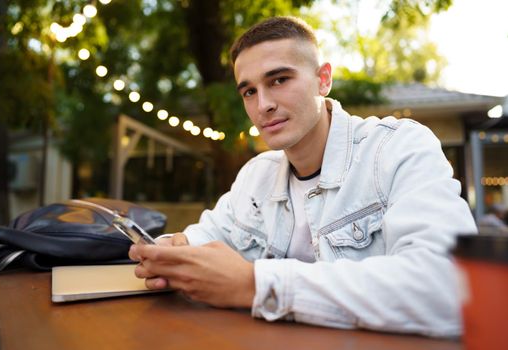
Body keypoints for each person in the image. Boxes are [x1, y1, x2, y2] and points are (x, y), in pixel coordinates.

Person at [129, 16, 477, 337]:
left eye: (279, 79)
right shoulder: (255, 176)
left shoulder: (397, 148)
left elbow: (449, 287)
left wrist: (255, 285)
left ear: (323, 79)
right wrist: (172, 252)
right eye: (249, 91)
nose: (262, 104)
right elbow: (205, 236)